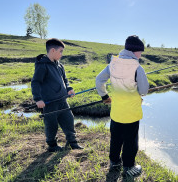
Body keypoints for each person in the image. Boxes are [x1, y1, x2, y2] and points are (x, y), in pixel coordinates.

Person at [96, 35, 149, 178]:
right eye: (140, 52)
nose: (141, 55)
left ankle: (114, 162)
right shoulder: (138, 67)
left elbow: (99, 80)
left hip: (116, 112)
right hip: (131, 113)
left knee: (116, 138)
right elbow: (143, 90)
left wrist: (104, 96)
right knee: (131, 141)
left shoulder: (112, 63)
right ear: (134, 51)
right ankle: (129, 166)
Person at [31, 38, 83, 152]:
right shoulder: (42, 65)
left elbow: (65, 80)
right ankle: (52, 145)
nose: (62, 54)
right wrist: (38, 99)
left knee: (69, 119)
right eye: (61, 51)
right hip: (49, 103)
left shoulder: (60, 66)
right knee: (51, 124)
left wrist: (69, 88)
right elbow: (36, 82)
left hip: (63, 100)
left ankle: (72, 142)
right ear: (53, 50)